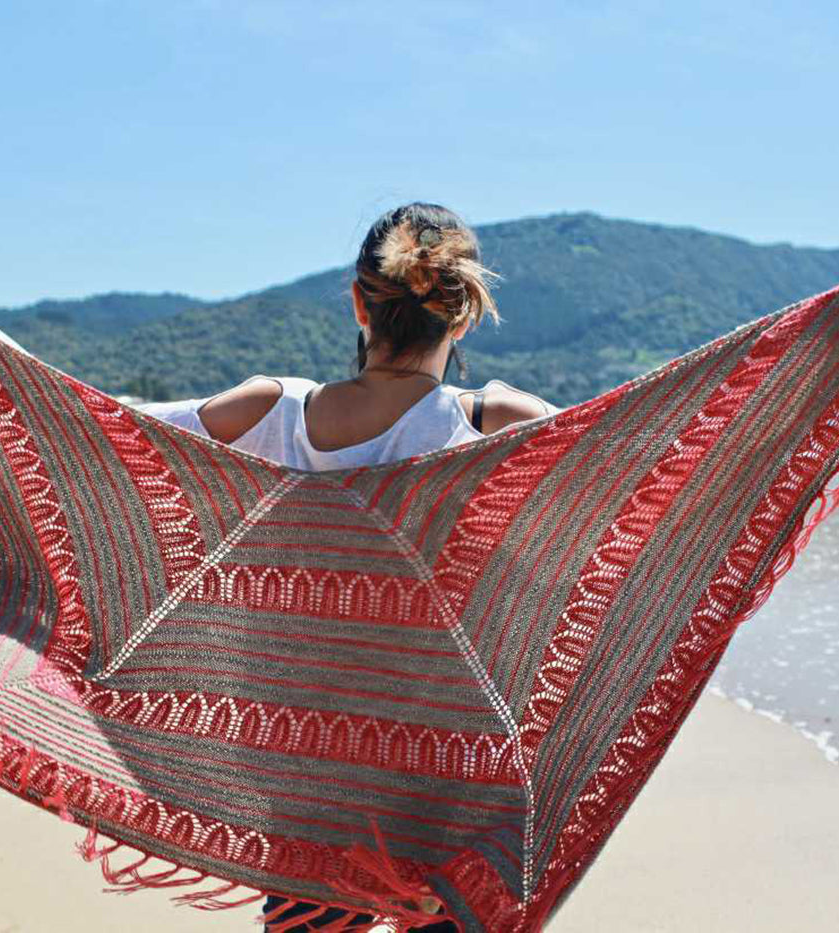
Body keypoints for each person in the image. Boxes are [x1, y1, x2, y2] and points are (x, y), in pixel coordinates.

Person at [132, 202, 560, 931]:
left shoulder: (271, 411)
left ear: (359, 301)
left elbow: (112, 431)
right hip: (448, 764)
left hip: (310, 770)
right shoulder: (494, 424)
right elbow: (645, 472)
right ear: (462, 319)